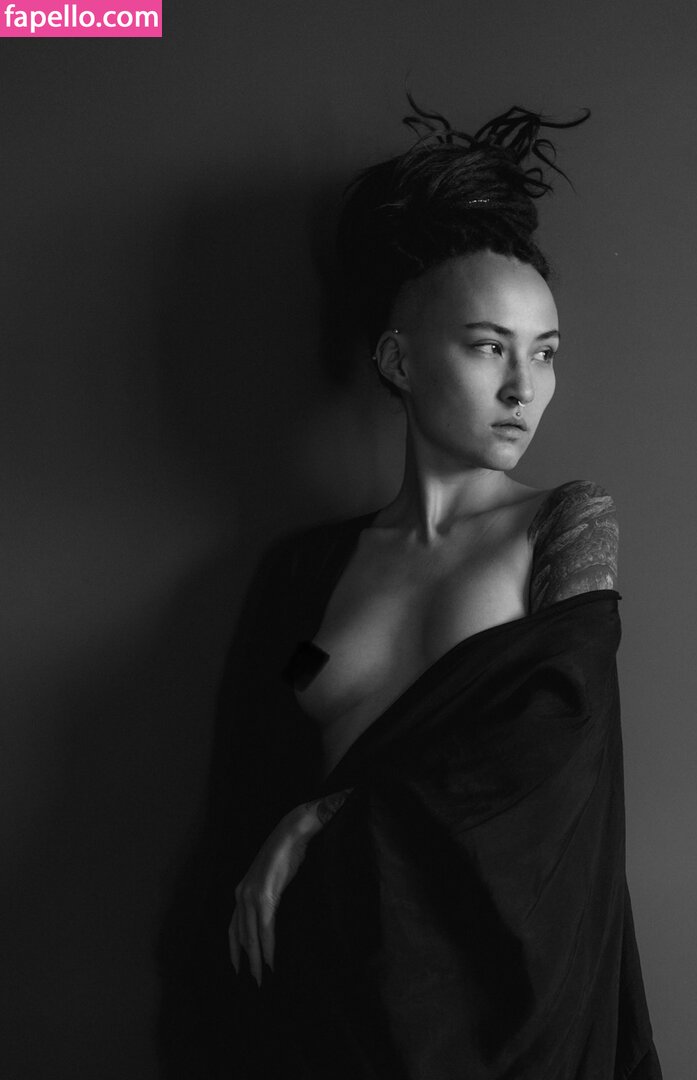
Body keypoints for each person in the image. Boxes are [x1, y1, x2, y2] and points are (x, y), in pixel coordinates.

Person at [180, 98, 662, 1079]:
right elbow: (256, 773)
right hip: (315, 1013)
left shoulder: (564, 527)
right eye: (489, 346)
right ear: (399, 360)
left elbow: (548, 759)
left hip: (496, 1023)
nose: (524, 387)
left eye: (545, 352)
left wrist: (326, 818)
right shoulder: (307, 575)